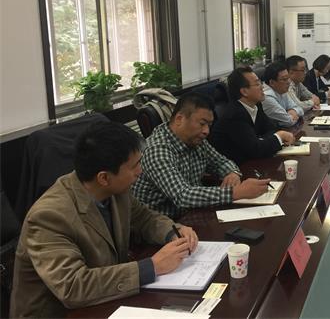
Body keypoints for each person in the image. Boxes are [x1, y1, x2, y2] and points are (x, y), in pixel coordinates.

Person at [10, 122, 198, 318]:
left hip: (106, 302)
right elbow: (73, 286)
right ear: (104, 178)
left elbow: (144, 218)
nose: (140, 171)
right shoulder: (49, 216)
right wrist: (152, 266)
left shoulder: (116, 190)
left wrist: (173, 231)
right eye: (134, 166)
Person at [133, 93, 270, 219]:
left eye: (209, 125)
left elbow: (221, 162)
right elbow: (182, 195)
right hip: (164, 224)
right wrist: (236, 192)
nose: (206, 131)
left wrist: (232, 173)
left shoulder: (196, 140)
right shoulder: (157, 150)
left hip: (194, 214)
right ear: (179, 119)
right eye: (202, 124)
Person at [209, 67, 295, 165]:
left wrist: (261, 140)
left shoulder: (256, 105)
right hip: (235, 168)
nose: (262, 87)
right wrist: (280, 136)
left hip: (252, 162)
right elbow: (256, 150)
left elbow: (272, 129)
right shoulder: (234, 115)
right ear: (244, 91)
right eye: (257, 84)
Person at [261, 62, 304, 127]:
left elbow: (300, 109)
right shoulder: (266, 97)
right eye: (284, 79)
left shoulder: (281, 91)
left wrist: (293, 111)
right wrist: (293, 115)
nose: (289, 82)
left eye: (288, 78)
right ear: (272, 82)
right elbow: (288, 121)